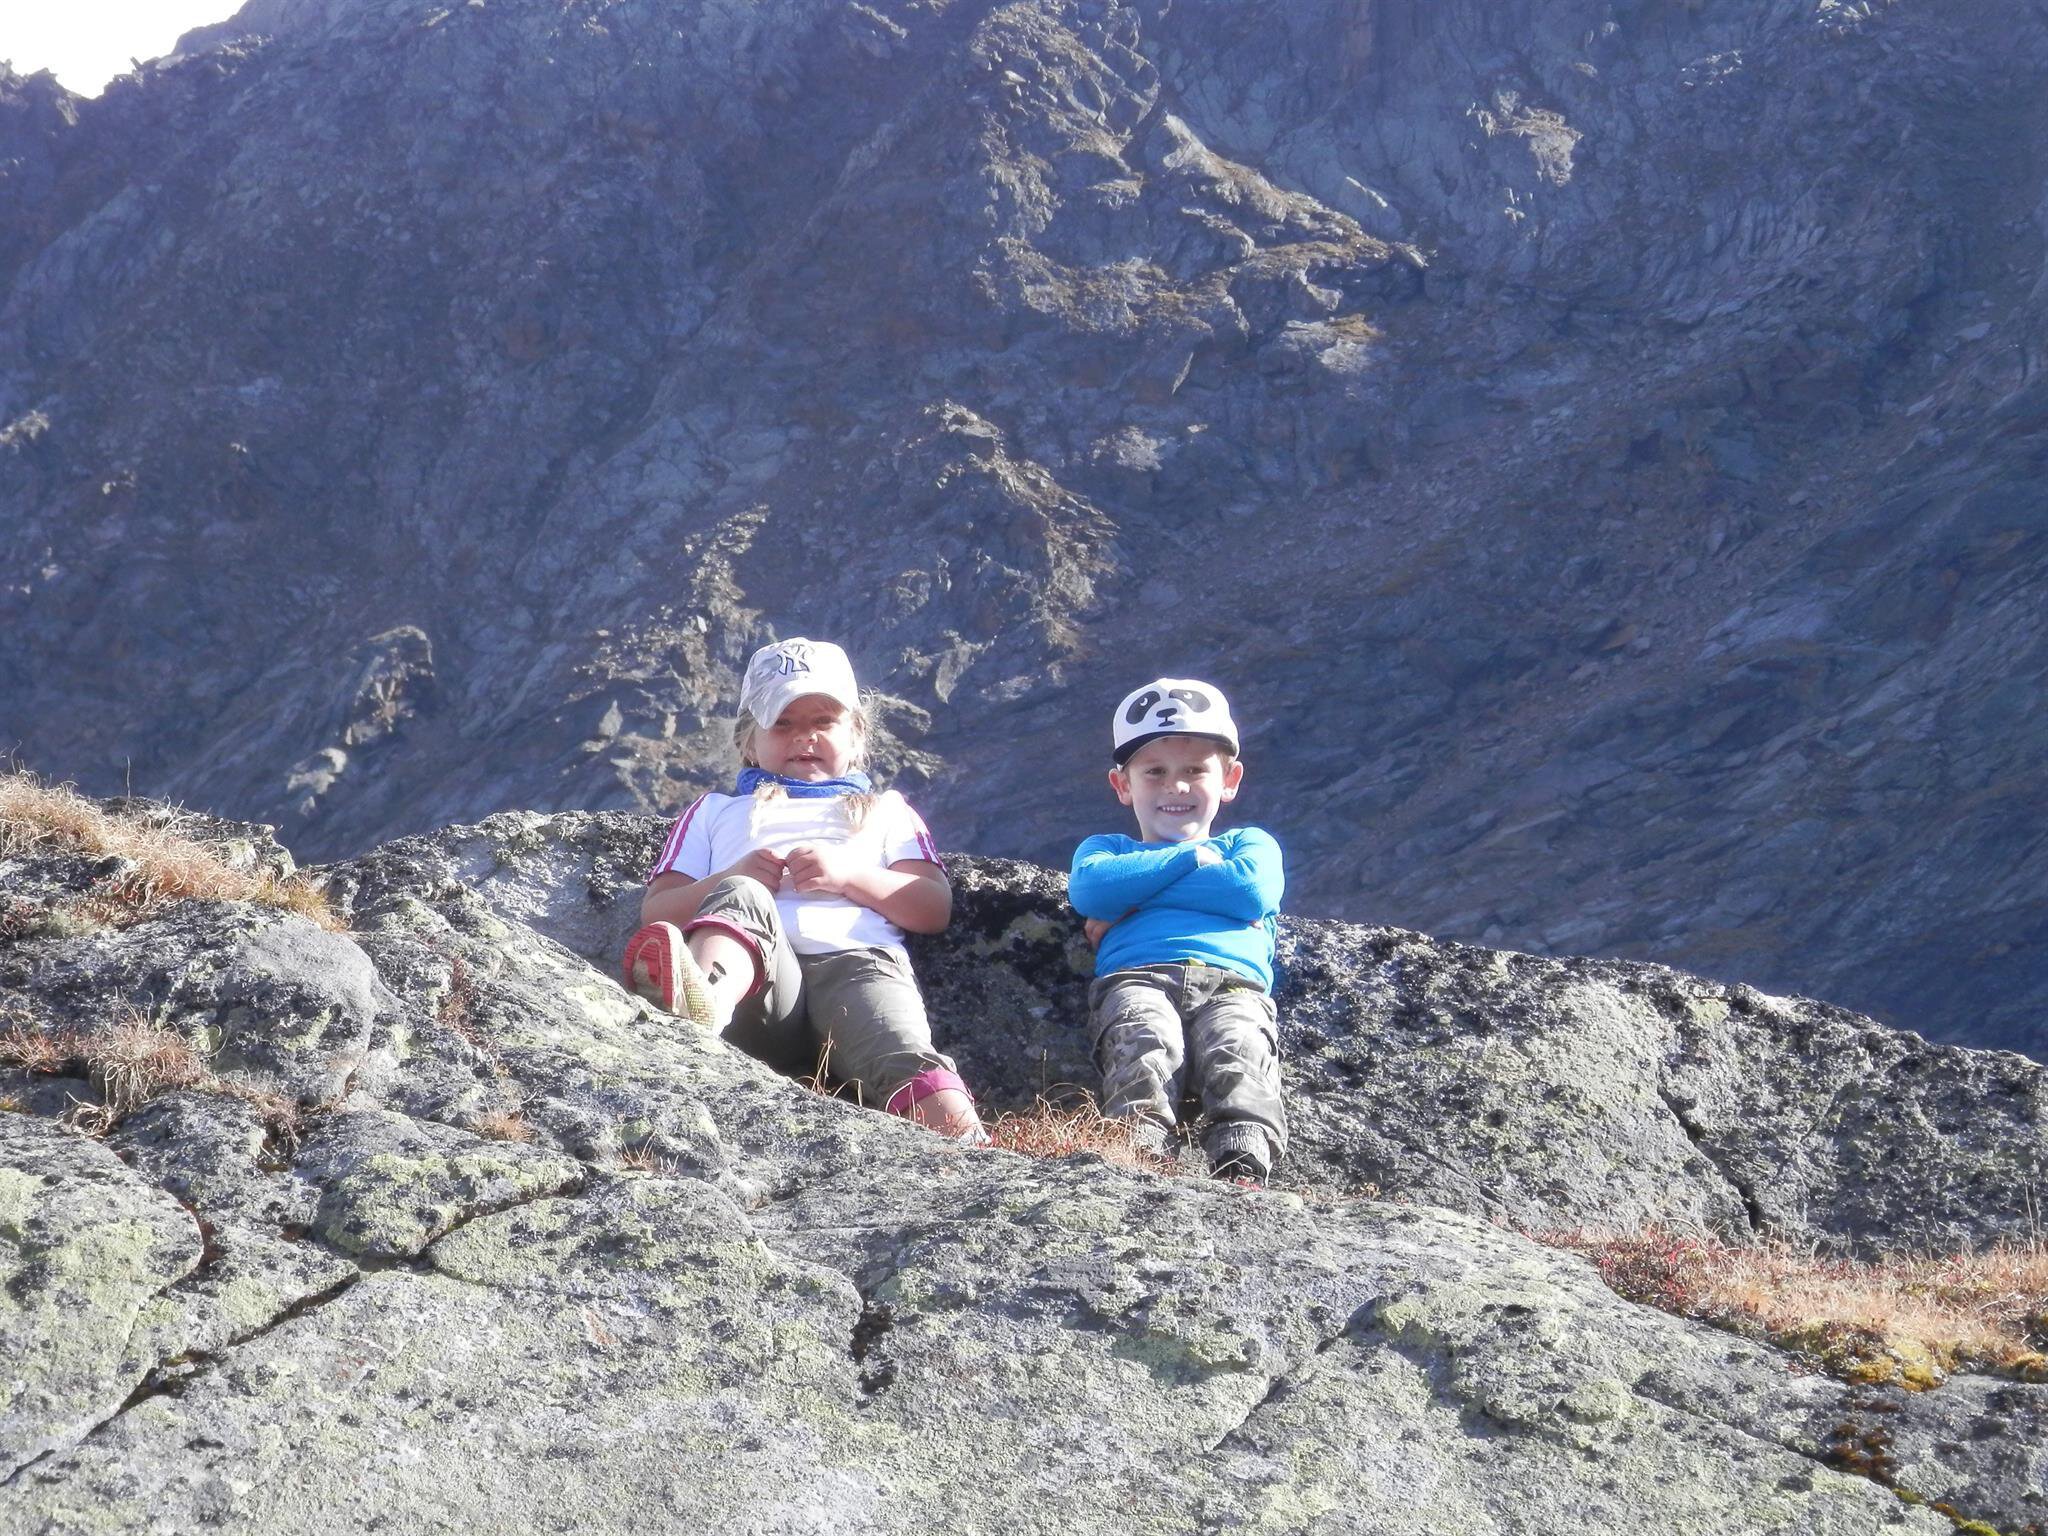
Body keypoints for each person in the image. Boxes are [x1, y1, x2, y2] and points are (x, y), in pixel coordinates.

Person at [623, 637, 985, 1142]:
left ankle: (973, 1153)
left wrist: (850, 876)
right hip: (755, 986)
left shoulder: (888, 811)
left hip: (858, 965)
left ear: (855, 734)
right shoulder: (713, 812)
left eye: (823, 721)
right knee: (741, 895)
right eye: (782, 723)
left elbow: (932, 907)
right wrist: (733, 879)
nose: (804, 737)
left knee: (906, 1057)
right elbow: (658, 910)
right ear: (750, 742)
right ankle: (700, 1012)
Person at [1067, 678, 1286, 1184]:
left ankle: (1243, 1153)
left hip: (1234, 985)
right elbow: (1092, 891)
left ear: (1230, 779)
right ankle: (1139, 1143)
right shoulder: (1106, 850)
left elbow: (1248, 890)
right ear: (1122, 785)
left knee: (1238, 1043)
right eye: (1155, 772)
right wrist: (1192, 859)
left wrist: (1134, 898)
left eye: (1195, 770)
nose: (1176, 787)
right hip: (1136, 979)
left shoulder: (1251, 844)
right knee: (1143, 1035)